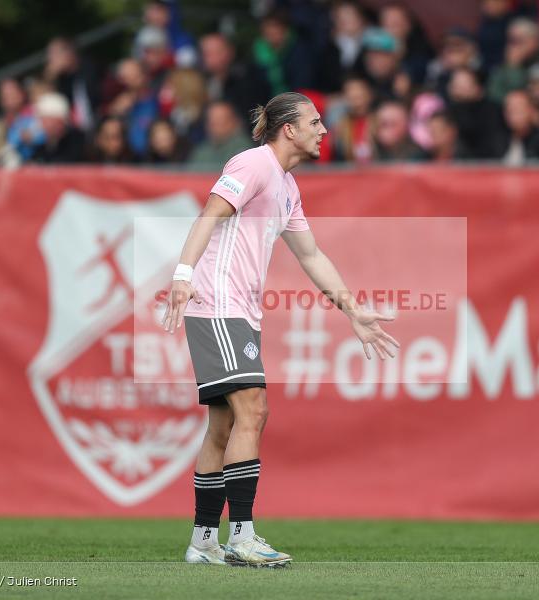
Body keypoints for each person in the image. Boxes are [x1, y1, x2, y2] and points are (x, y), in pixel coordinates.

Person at [162, 92, 399, 567]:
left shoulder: (286, 184)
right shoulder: (253, 164)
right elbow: (210, 212)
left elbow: (310, 254)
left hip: (239, 312)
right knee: (255, 408)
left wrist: (352, 310)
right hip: (218, 304)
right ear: (288, 129)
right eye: (315, 122)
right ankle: (243, 537)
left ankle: (203, 542)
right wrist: (183, 276)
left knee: (224, 424)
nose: (323, 129)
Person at [199, 33, 271, 129]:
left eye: (217, 52)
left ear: (230, 52)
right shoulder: (203, 82)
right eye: (207, 53)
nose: (211, 57)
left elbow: (253, 120)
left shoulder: (248, 79)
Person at [187, 101, 252, 167]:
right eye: (211, 120)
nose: (214, 124)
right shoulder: (202, 150)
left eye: (221, 119)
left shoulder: (243, 148)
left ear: (234, 121)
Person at [29, 92, 87, 163]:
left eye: (48, 120)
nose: (43, 125)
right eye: (42, 120)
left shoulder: (77, 140)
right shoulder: (42, 145)